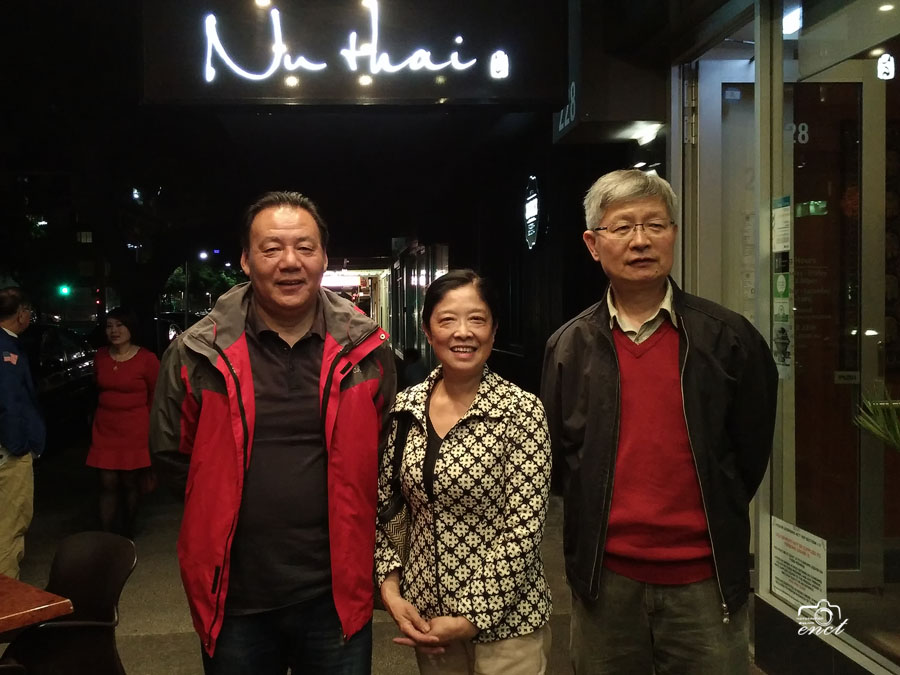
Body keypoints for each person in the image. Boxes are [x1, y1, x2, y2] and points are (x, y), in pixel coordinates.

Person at [540, 170, 778, 674]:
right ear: (593, 244)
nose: (641, 241)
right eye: (623, 227)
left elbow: (750, 452)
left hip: (705, 578)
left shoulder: (729, 339)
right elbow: (562, 462)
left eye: (654, 225)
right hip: (605, 579)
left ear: (673, 234)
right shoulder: (569, 346)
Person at [150, 191, 396, 674]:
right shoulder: (197, 352)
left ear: (324, 257)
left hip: (335, 596)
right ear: (246, 260)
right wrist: (220, 502)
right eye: (271, 248)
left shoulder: (367, 348)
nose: (290, 262)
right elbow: (172, 456)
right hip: (235, 599)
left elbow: (385, 449)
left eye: (304, 247)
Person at [377, 269, 552, 675]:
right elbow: (385, 507)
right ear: (427, 330)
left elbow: (524, 528)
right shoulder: (405, 409)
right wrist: (391, 591)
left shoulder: (521, 411)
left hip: (509, 624)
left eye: (477, 319)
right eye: (447, 320)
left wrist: (469, 618)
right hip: (428, 621)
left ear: (494, 330)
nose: (463, 332)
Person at [85, 307, 159, 537]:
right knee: (107, 483)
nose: (114, 331)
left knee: (129, 482)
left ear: (131, 328)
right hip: (105, 427)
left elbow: (155, 395)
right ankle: (106, 535)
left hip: (135, 428)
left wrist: (151, 428)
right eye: (109, 326)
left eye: (119, 325)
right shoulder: (100, 356)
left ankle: (128, 531)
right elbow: (96, 388)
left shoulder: (147, 359)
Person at [0, 287, 45, 579]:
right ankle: (7, 598)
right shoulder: (7, 350)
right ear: (21, 314)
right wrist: (20, 446)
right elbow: (9, 402)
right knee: (9, 528)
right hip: (8, 453)